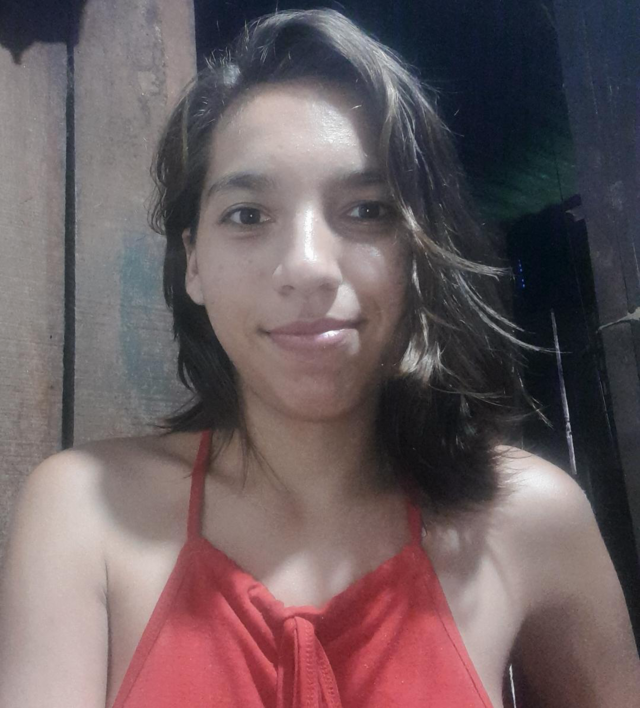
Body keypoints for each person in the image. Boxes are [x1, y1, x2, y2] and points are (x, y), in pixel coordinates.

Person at [1, 8, 638, 708]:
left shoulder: (530, 519)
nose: (307, 267)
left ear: (417, 251)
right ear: (194, 264)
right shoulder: (84, 513)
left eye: (367, 210)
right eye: (248, 215)